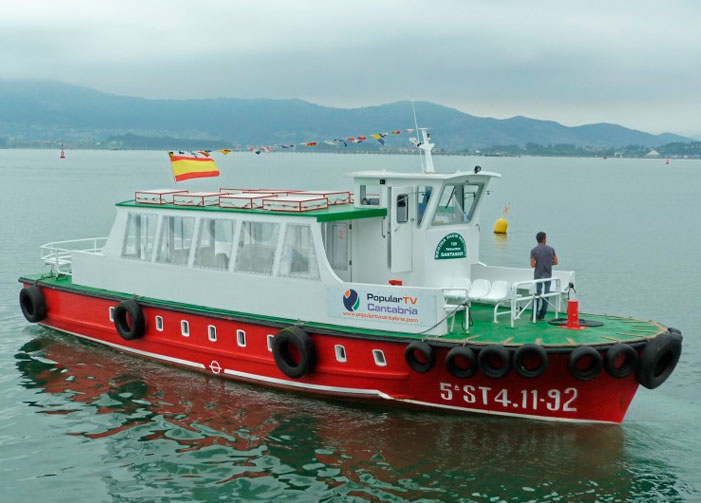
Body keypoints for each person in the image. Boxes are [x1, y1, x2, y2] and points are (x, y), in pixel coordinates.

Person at [530, 231, 558, 320]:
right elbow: (556, 262)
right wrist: (549, 264)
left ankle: (534, 314)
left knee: (536, 295)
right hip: (548, 275)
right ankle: (542, 315)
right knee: (546, 296)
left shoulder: (534, 250)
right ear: (544, 239)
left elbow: (532, 265)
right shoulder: (551, 249)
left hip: (538, 276)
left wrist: (539, 263)